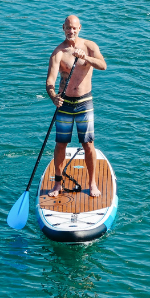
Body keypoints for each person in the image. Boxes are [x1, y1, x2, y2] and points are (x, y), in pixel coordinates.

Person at [45, 15, 107, 198]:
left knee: (88, 143)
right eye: (68, 28)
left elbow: (103, 65)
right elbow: (50, 80)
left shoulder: (89, 46)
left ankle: (92, 183)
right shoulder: (58, 53)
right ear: (63, 28)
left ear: (79, 28)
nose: (71, 31)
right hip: (64, 103)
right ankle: (57, 183)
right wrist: (53, 96)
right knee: (60, 144)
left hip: (84, 103)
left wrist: (86, 58)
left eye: (74, 28)